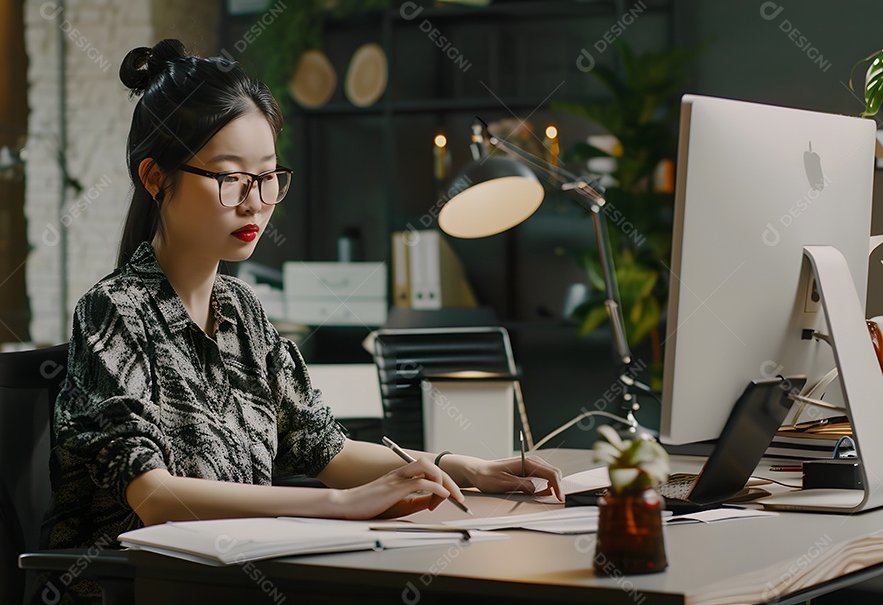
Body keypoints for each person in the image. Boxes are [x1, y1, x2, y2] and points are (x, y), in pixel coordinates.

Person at [37, 39, 563, 604]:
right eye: (229, 176)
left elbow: (325, 450)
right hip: (144, 589)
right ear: (154, 177)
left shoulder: (243, 313)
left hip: (241, 578)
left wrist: (461, 467)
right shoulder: (114, 311)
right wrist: (339, 505)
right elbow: (156, 497)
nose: (255, 203)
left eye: (266, 177)